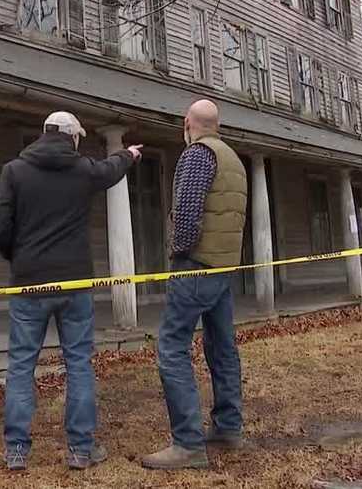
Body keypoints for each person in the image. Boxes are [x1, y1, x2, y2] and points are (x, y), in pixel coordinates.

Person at [0, 111, 142, 471]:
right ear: (72, 137)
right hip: (75, 283)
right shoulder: (83, 170)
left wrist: (21, 258)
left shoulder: (14, 171)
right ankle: (80, 449)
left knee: (22, 364)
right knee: (78, 364)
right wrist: (130, 155)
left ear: (43, 134)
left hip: (29, 283)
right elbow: (111, 169)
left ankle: (16, 451)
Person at [142, 99, 247, 471]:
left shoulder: (197, 155)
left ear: (187, 123)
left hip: (196, 268)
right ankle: (229, 427)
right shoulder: (233, 159)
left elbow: (187, 216)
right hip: (223, 267)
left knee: (172, 347)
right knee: (222, 347)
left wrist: (176, 251)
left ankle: (187, 443)